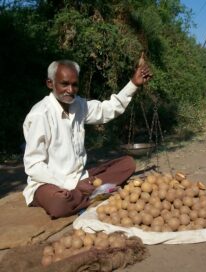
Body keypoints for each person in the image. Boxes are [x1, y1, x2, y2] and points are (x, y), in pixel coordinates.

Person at [22, 59, 152, 219]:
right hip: (50, 182)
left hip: (81, 177)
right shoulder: (40, 115)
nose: (70, 90)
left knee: (127, 164)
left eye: (75, 85)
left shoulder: (79, 105)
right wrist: (70, 185)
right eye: (64, 84)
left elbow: (107, 110)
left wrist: (133, 84)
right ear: (50, 83)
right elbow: (34, 166)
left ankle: (86, 193)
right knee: (59, 204)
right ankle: (93, 194)